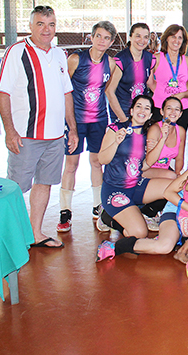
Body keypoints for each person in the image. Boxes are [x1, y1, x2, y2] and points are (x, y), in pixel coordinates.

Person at [0, 5, 78, 249]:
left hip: (55, 136)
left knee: (44, 183)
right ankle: (7, 236)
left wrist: (71, 129)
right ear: (30, 26)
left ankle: (34, 233)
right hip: (26, 134)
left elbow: (67, 93)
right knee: (15, 188)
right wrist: (10, 130)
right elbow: (3, 93)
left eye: (51, 24)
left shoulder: (59, 54)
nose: (46, 29)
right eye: (40, 24)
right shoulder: (16, 52)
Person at [95, 147, 188, 262]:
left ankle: (180, 245)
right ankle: (115, 247)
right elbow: (169, 192)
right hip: (176, 214)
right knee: (164, 247)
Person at [58, 20, 117, 232]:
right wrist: (69, 122)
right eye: (99, 36)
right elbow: (65, 91)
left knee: (96, 162)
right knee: (71, 164)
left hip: (99, 120)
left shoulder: (110, 64)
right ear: (91, 37)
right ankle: (65, 211)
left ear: (111, 42)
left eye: (107, 38)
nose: (102, 41)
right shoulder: (75, 59)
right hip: (75, 120)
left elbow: (104, 91)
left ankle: (97, 206)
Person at [97, 95, 173, 239]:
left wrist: (162, 139)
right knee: (140, 233)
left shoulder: (145, 134)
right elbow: (102, 159)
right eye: (138, 106)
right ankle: (108, 218)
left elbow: (145, 165)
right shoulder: (116, 129)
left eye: (147, 108)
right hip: (115, 189)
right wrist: (116, 143)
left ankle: (155, 217)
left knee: (174, 186)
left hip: (136, 185)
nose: (142, 110)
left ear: (150, 114)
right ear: (131, 110)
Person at [148, 24, 188, 129]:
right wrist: (162, 93)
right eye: (173, 37)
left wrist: (182, 95)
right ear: (166, 39)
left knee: (179, 141)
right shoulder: (156, 59)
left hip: (181, 108)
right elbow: (150, 82)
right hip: (159, 107)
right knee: (159, 140)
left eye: (180, 37)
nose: (176, 40)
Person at [106, 22, 154, 123]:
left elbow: (151, 84)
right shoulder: (120, 60)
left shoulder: (150, 58)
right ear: (130, 37)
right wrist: (123, 119)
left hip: (141, 113)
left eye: (146, 37)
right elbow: (109, 91)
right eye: (138, 36)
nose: (142, 40)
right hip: (123, 112)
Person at [142, 96, 187, 180]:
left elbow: (180, 158)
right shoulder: (155, 129)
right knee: (171, 176)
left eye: (177, 109)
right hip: (147, 169)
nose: (173, 112)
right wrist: (163, 138)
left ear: (180, 114)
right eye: (169, 108)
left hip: (165, 171)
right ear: (162, 111)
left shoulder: (180, 131)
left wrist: (178, 174)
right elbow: (148, 161)